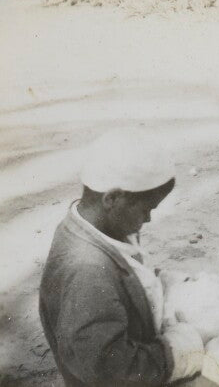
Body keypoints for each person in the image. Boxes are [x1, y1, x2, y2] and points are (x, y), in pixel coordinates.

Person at [39, 130, 204, 387]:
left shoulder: (95, 228)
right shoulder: (88, 272)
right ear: (112, 198)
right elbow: (109, 368)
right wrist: (177, 353)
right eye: (147, 209)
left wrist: (157, 283)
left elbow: (123, 274)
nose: (148, 219)